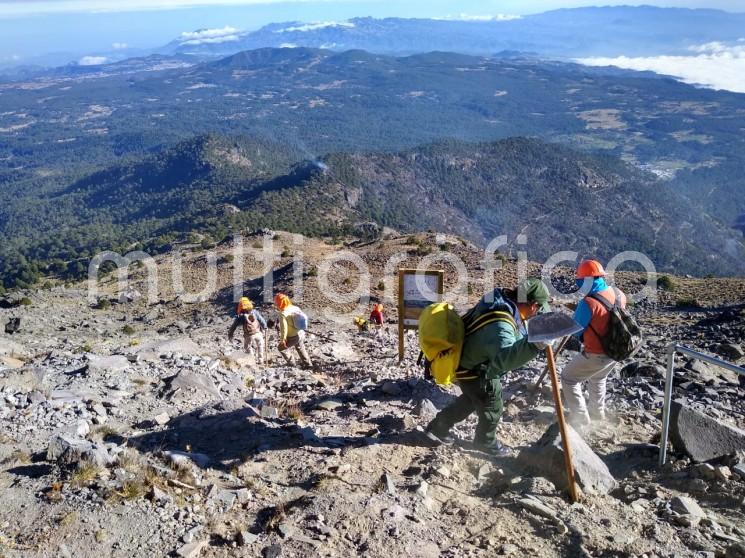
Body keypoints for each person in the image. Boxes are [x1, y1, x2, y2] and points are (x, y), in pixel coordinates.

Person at [425, 278, 552, 457]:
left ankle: (438, 428)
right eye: (539, 308)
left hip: (465, 362)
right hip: (478, 369)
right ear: (532, 305)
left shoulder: (498, 299)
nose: (537, 312)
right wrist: (535, 345)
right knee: (493, 403)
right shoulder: (502, 324)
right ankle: (486, 442)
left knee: (471, 399)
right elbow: (505, 358)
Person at [561, 259, 627, 427]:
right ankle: (597, 414)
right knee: (598, 378)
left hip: (596, 353)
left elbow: (575, 331)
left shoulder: (587, 303)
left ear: (586, 280)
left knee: (568, 378)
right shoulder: (618, 294)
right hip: (616, 351)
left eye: (580, 281)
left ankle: (581, 419)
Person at [274, 293, 313, 368]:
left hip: (293, 336)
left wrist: (283, 340)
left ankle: (293, 364)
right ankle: (309, 365)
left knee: (281, 348)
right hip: (301, 333)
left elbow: (283, 329)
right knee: (300, 348)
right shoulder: (295, 308)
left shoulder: (283, 313)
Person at [228, 297, 267, 363]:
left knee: (247, 347)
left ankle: (252, 359)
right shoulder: (255, 312)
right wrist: (265, 327)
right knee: (260, 345)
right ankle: (261, 360)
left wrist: (230, 334)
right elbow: (261, 320)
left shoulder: (241, 316)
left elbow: (234, 326)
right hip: (258, 333)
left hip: (248, 335)